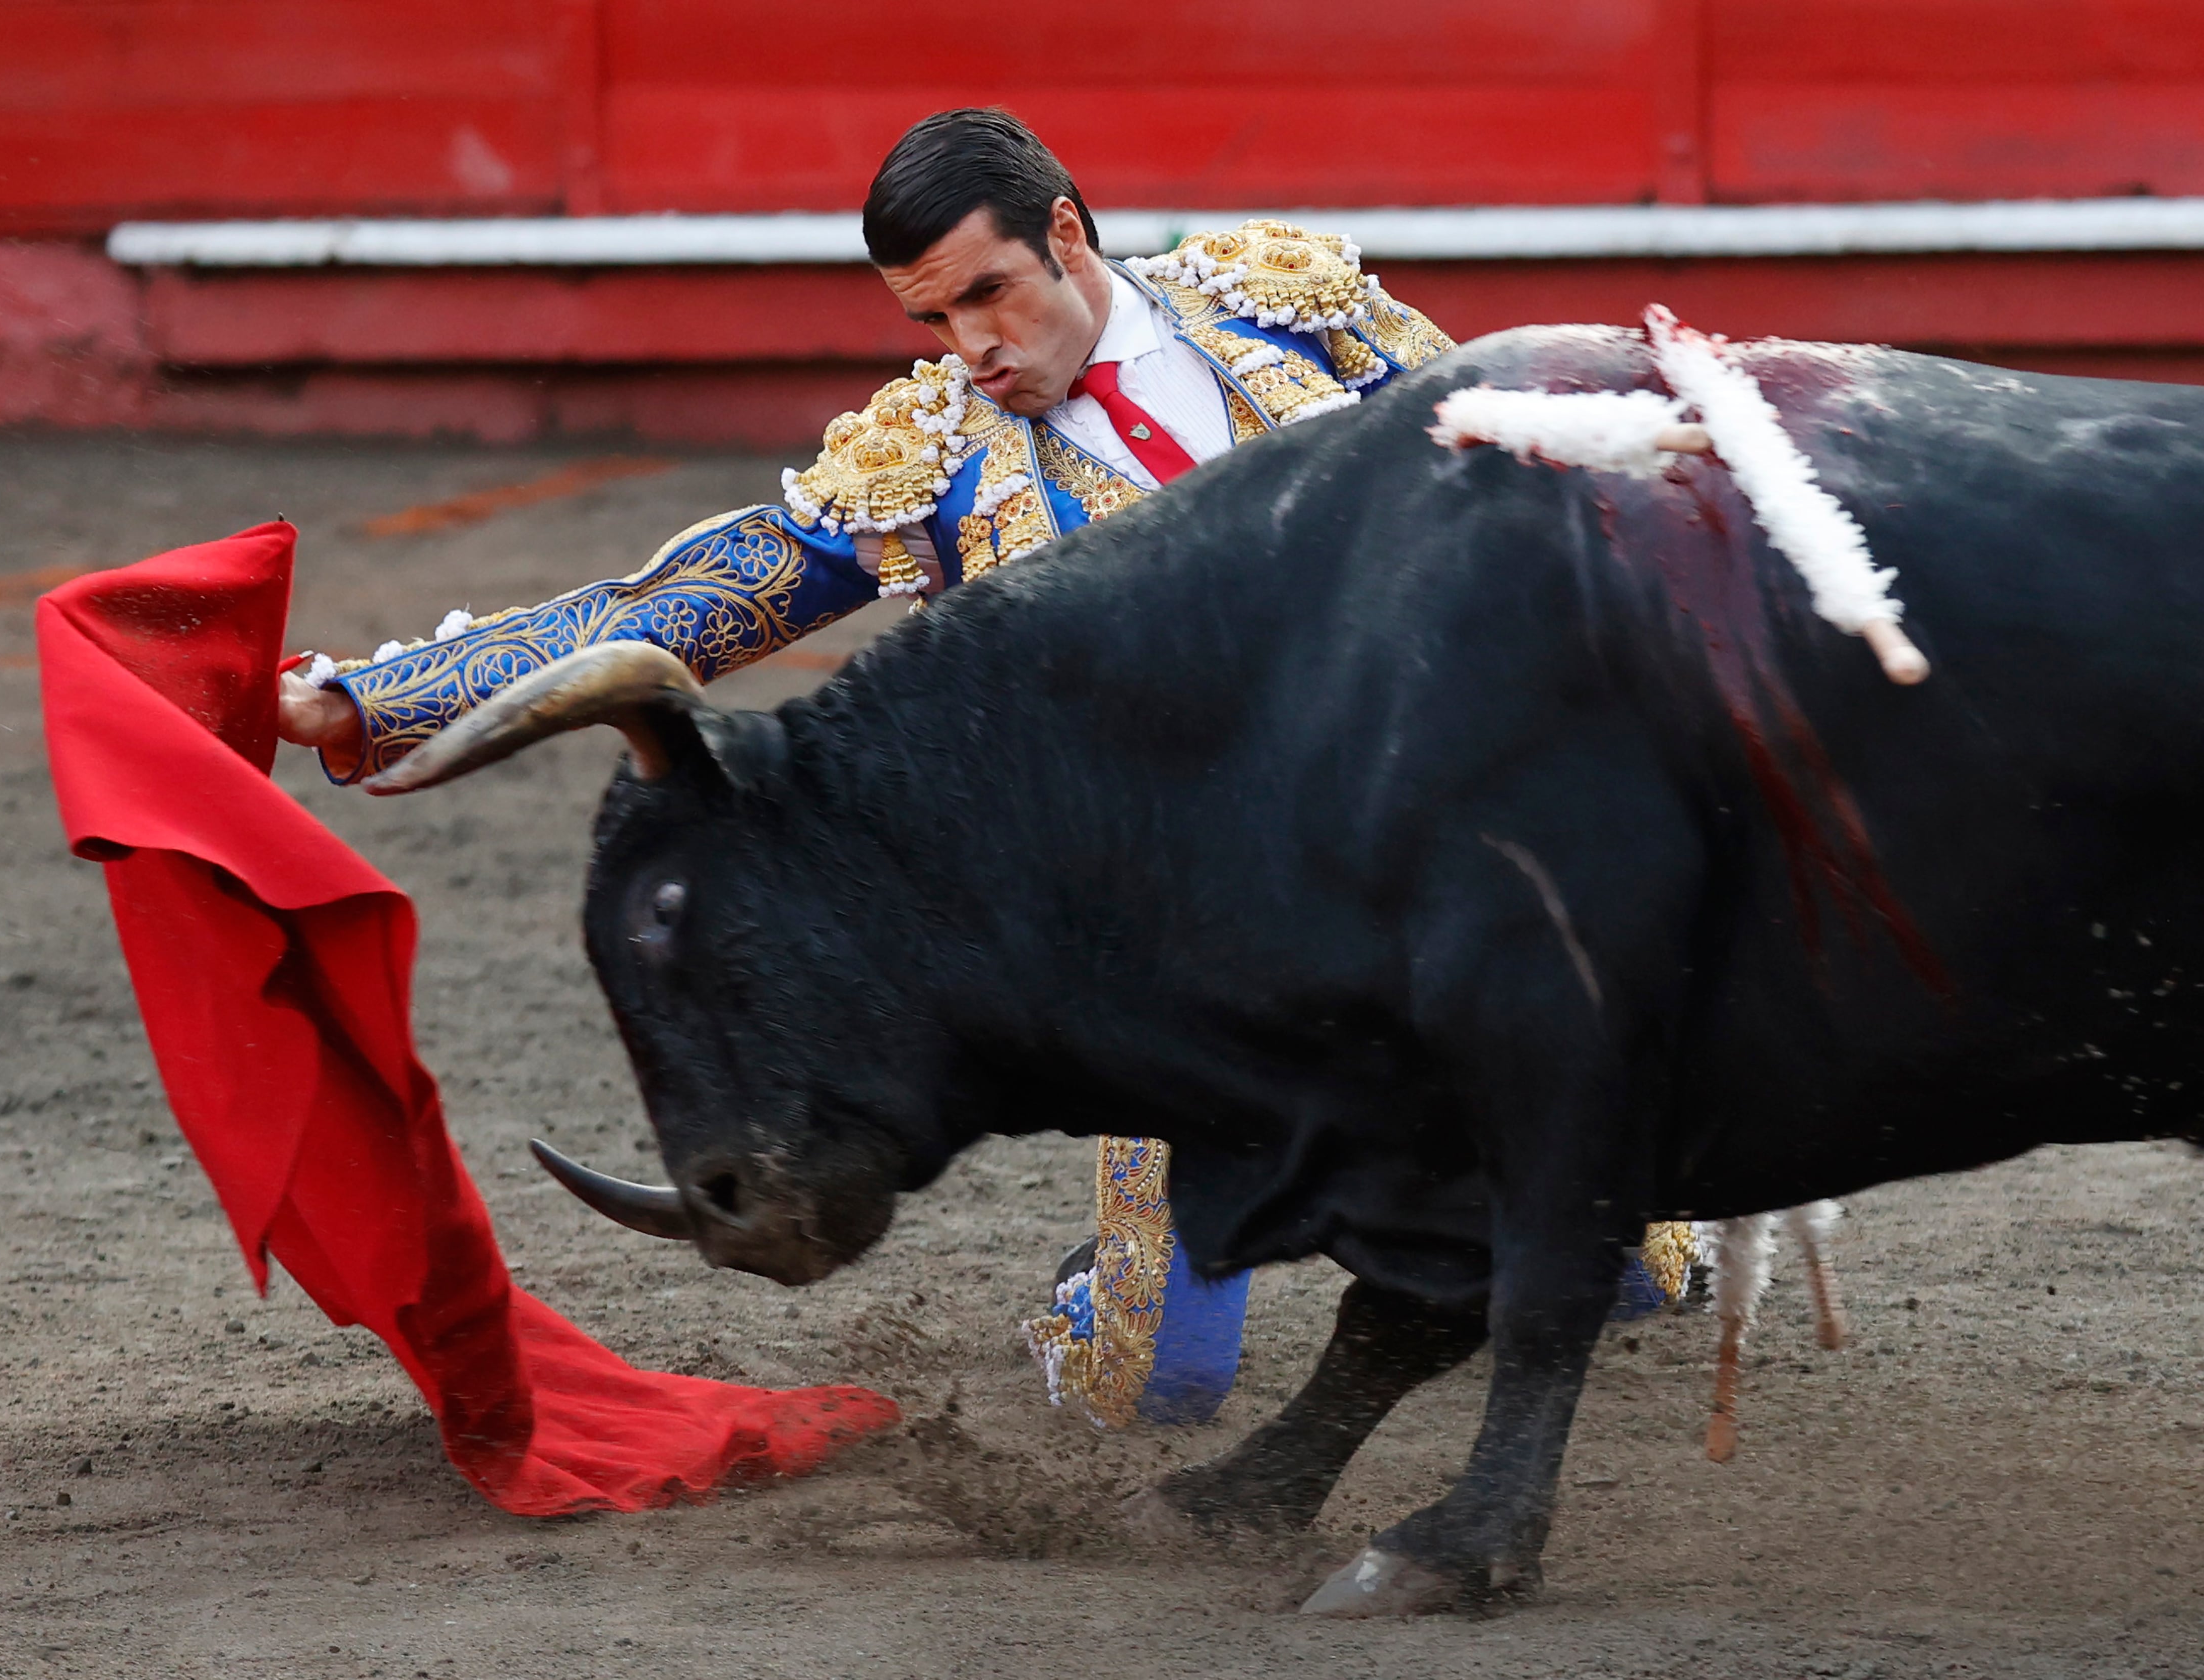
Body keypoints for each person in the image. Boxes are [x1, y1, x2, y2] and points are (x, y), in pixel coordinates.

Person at [277, 107, 1686, 1429]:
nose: (970, 348)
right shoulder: (936, 462)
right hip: (1193, 948)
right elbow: (670, 609)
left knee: (1637, 1271)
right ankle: (1119, 1277)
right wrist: (370, 702)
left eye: (990, 294)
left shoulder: (1285, 306)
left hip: (1426, 863)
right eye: (932, 319)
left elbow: (1509, 471)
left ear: (1069, 236)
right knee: (1158, 1383)